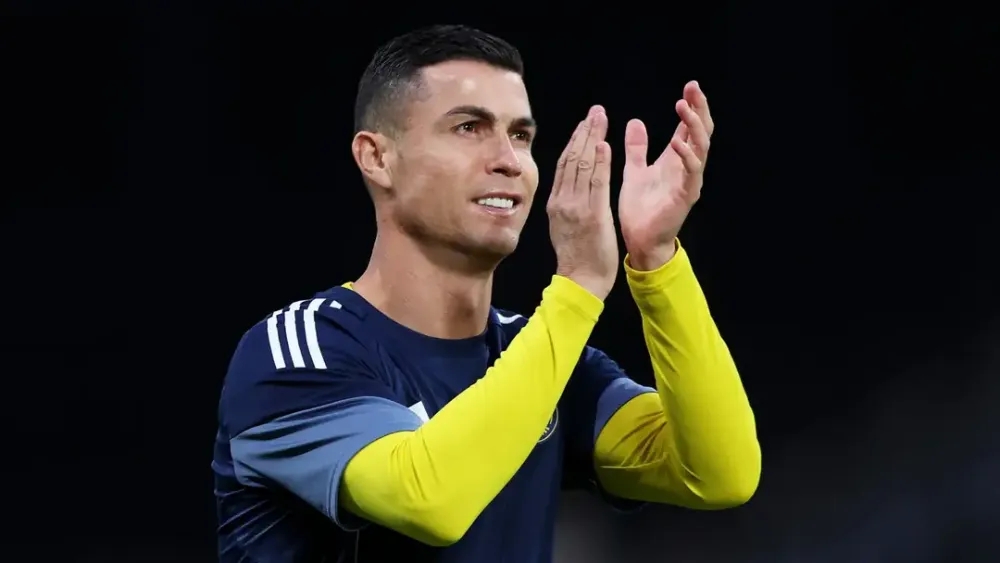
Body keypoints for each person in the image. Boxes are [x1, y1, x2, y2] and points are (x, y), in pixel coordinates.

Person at [213, 24, 761, 563]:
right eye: (468, 127)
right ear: (377, 158)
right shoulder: (297, 351)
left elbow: (720, 474)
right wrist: (577, 287)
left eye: (520, 136)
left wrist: (656, 260)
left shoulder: (540, 355)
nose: (508, 160)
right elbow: (429, 501)